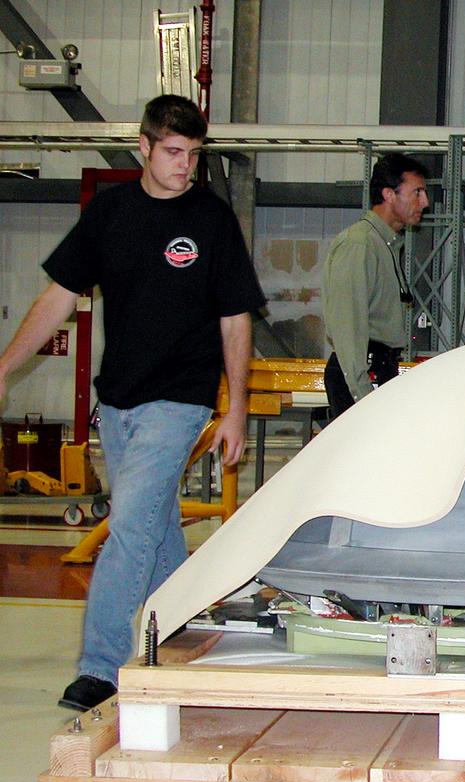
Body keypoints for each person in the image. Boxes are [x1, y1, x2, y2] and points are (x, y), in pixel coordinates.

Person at [0, 95, 265, 711]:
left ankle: (101, 668)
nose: (185, 165)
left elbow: (235, 321)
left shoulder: (211, 220)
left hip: (180, 400)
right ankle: (183, 627)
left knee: (127, 529)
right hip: (117, 401)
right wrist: (7, 365)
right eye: (174, 152)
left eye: (195, 155)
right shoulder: (109, 213)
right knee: (155, 528)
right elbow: (58, 296)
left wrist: (235, 408)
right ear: (142, 147)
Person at [322, 152, 431, 419]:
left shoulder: (386, 245)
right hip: (361, 375)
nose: (425, 202)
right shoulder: (359, 246)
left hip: (378, 369)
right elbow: (348, 328)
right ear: (388, 194)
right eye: (417, 192)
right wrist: (363, 398)